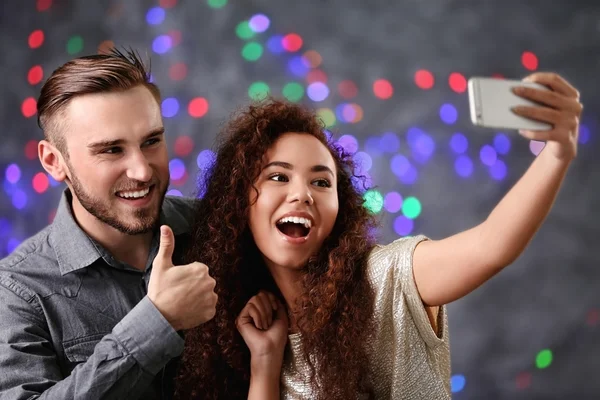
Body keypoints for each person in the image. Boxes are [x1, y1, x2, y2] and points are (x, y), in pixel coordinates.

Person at [173, 72, 583, 399]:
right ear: (238, 202)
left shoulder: (384, 279)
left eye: (321, 182)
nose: (302, 193)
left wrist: (557, 152)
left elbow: (493, 245)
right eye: (278, 176)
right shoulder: (252, 328)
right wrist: (265, 360)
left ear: (340, 208)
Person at [0, 49, 218, 399]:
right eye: (111, 150)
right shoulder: (15, 292)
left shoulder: (219, 226)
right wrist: (157, 321)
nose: (142, 171)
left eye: (151, 141)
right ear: (54, 161)